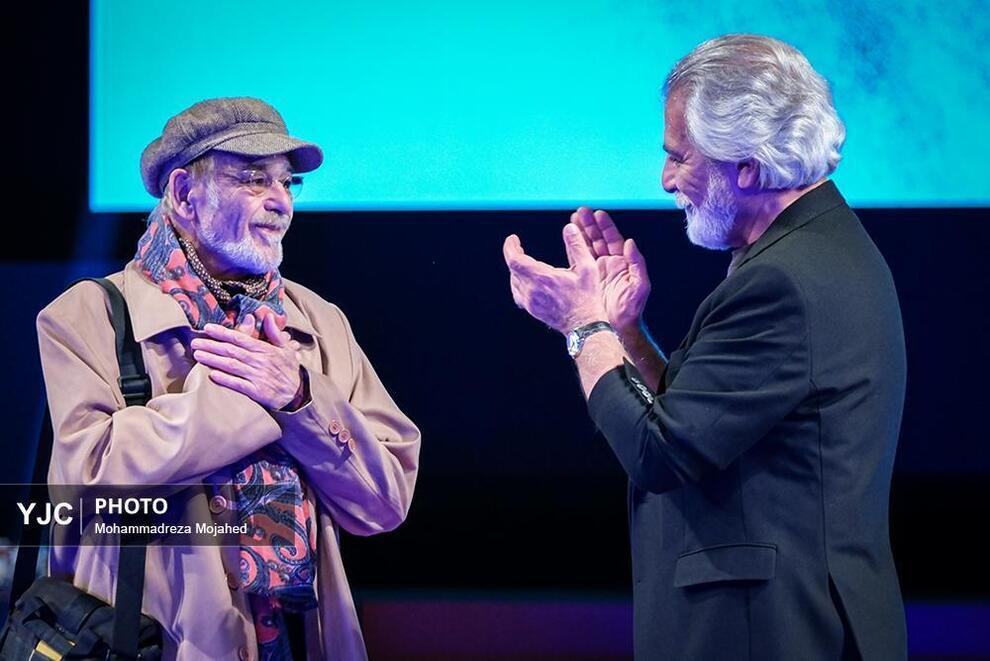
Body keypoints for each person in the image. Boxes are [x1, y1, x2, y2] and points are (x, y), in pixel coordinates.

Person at [503, 34, 906, 660]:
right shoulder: (815, 250)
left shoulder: (784, 281)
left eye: (679, 158)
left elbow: (658, 453)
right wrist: (626, 333)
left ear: (747, 167)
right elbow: (702, 425)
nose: (666, 181)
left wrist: (583, 328)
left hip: (771, 634)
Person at [36, 97, 421, 660]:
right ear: (184, 194)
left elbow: (383, 502)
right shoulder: (88, 315)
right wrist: (246, 395)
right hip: (158, 643)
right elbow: (85, 487)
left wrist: (300, 398)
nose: (280, 202)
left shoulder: (319, 322)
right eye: (254, 179)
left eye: (288, 183)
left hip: (298, 641)